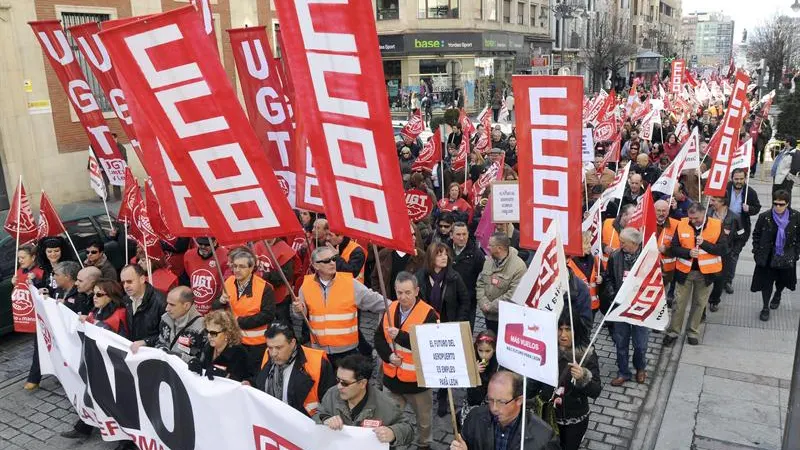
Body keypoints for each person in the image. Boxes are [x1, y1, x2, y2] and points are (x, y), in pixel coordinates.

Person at [374, 272, 439, 448]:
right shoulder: (390, 308)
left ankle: (424, 444)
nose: (403, 297)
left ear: (417, 291)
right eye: (399, 292)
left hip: (417, 382)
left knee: (423, 421)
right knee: (389, 417)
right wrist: (388, 356)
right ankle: (391, 443)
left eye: (408, 292)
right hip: (391, 380)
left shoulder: (429, 314)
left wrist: (401, 337)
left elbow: (429, 346)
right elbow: (378, 338)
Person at [292, 246, 386, 367]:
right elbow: (301, 314)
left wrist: (397, 307)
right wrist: (297, 310)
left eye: (334, 259)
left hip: (347, 351)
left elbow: (375, 301)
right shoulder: (306, 286)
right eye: (326, 261)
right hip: (320, 351)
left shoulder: (350, 283)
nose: (332, 263)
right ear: (315, 266)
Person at [61, 278, 129, 442]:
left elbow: (117, 339)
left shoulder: (118, 314)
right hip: (97, 363)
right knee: (92, 396)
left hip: (112, 366)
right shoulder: (97, 310)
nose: (95, 297)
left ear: (110, 296)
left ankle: (125, 440)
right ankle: (84, 427)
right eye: (94, 293)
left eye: (99, 294)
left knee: (114, 404)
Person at [527, 311, 601, 450]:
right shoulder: (546, 349)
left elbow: (596, 391)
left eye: (568, 329)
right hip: (547, 416)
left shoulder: (586, 354)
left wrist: (583, 376)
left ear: (576, 330)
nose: (563, 335)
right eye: (559, 329)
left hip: (574, 420)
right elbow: (534, 384)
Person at [316, 354, 413, 448]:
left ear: (362, 383)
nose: (339, 386)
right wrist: (325, 420)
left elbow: (408, 430)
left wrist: (393, 433)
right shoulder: (331, 394)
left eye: (345, 383)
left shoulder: (386, 404)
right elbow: (318, 414)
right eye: (338, 380)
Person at [664, 203, 726, 346]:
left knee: (699, 304)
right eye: (690, 218)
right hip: (685, 272)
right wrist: (688, 253)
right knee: (679, 303)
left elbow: (723, 249)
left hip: (705, 274)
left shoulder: (716, 225)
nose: (692, 221)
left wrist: (704, 244)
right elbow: (673, 249)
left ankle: (692, 331)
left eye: (696, 218)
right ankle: (673, 332)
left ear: (704, 214)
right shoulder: (682, 224)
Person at [451, 371, 560, 450]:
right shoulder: (475, 417)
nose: (494, 408)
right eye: (490, 399)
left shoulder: (544, 436)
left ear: (519, 400)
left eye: (501, 402)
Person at [251, 322, 336, 419]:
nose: (273, 353)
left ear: (292, 343)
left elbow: (331, 403)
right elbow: (261, 381)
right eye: (270, 347)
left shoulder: (318, 362)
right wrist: (250, 384)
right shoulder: (268, 354)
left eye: (279, 348)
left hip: (306, 424)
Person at [602, 228, 649, 385]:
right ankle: (623, 372)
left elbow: (657, 280)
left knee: (640, 344)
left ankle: (640, 367)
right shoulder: (615, 256)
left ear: (635, 243)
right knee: (621, 342)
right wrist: (612, 294)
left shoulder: (648, 257)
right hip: (620, 307)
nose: (620, 245)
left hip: (640, 308)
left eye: (623, 242)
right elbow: (608, 277)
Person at [219, 247, 276, 375]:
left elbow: (268, 315)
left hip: (256, 346)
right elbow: (217, 306)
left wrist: (239, 322)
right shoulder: (228, 282)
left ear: (251, 268)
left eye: (242, 266)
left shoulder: (265, 288)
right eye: (234, 266)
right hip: (233, 342)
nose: (237, 270)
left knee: (252, 379)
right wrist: (220, 302)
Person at [750, 190, 800, 321]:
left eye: (781, 204)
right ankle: (765, 307)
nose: (778, 207)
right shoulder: (764, 217)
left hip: (786, 255)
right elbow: (756, 234)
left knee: (782, 280)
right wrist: (756, 251)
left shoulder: (795, 216)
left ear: (787, 204)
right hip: (767, 256)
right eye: (775, 203)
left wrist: (796, 253)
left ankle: (778, 294)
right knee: (766, 283)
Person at [130, 286, 205, 363]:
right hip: (165, 368)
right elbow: (161, 341)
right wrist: (161, 349)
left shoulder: (202, 328)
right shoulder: (165, 318)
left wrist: (174, 356)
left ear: (186, 305)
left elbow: (203, 361)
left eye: (172, 305)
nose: (167, 308)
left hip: (185, 372)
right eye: (167, 303)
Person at [476, 233, 527, 333]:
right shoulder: (489, 262)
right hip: (489, 316)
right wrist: (483, 302)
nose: (488, 247)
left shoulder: (519, 267)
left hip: (507, 318)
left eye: (490, 245)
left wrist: (491, 307)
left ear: (499, 248)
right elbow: (480, 283)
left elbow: (513, 295)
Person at [725, 168, 762, 293]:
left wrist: (749, 209)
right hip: (724, 227)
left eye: (741, 179)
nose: (739, 181)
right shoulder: (725, 189)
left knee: (734, 256)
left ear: (745, 179)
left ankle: (728, 280)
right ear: (732, 178)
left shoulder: (750, 192)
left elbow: (757, 208)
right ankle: (719, 278)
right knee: (723, 254)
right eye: (736, 179)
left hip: (741, 229)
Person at [188, 309, 251, 381]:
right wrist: (197, 364)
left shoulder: (239, 353)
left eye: (213, 333)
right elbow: (205, 369)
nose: (209, 336)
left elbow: (245, 383)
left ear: (227, 334)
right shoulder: (208, 348)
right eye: (207, 331)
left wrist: (226, 376)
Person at [16, 244, 46, 391]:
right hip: (30, 314)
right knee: (39, 345)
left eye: (23, 257)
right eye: (19, 258)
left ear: (33, 257)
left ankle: (34, 378)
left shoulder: (39, 272)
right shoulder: (19, 271)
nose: (20, 261)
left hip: (41, 315)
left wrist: (35, 281)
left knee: (40, 346)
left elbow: (45, 292)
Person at [707, 196, 744, 312]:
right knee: (705, 280)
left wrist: (734, 251)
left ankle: (714, 300)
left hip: (725, 254)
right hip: (707, 251)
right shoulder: (707, 214)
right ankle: (701, 306)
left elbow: (741, 235)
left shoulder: (735, 218)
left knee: (720, 279)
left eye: (714, 200)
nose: (711, 202)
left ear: (723, 202)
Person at [458, 330, 499, 429]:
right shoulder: (472, 359)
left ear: (494, 349)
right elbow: (464, 380)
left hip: (490, 401)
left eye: (487, 351)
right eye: (480, 351)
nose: (483, 355)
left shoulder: (498, 362)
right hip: (474, 399)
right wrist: (473, 371)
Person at [371, 226, 425, 300]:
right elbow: (375, 278)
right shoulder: (384, 254)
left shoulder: (421, 257)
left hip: (410, 305)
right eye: (410, 235)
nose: (414, 238)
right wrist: (380, 296)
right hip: (387, 305)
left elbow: (423, 284)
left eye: (414, 235)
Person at [122, 264, 167, 351]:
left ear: (142, 279)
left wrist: (146, 342)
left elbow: (167, 335)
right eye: (123, 282)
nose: (125, 286)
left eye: (129, 281)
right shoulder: (126, 299)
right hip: (133, 351)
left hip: (152, 353)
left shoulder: (161, 302)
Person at [252, 238, 297, 324]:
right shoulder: (257, 245)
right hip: (262, 293)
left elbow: (287, 274)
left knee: (283, 322)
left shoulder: (284, 249)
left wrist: (264, 276)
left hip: (280, 294)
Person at [451, 222, 486, 329]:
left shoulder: (476, 254)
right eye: (458, 234)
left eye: (464, 234)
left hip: (468, 301)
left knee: (465, 333)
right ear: (451, 235)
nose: (462, 238)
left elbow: (483, 277)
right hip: (448, 300)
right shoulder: (444, 249)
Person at [184, 237, 229, 315]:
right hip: (196, 308)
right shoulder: (189, 255)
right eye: (200, 244)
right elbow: (189, 277)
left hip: (216, 308)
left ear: (215, 242)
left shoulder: (225, 255)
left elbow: (228, 281)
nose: (203, 247)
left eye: (207, 244)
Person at [567, 231, 600, 318]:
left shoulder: (594, 259)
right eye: (586, 243)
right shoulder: (569, 263)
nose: (590, 246)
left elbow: (602, 273)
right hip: (577, 307)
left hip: (592, 306)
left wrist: (601, 278)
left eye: (589, 243)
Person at [654, 200, 679, 304]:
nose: (661, 213)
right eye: (658, 210)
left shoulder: (677, 225)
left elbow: (680, 248)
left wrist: (667, 250)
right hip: (649, 267)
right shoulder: (646, 223)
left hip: (667, 271)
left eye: (664, 211)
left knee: (663, 298)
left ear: (668, 211)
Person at [771, 137, 800, 202]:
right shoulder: (784, 150)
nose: (784, 142)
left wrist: (788, 178)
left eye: (785, 141)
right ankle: (774, 209)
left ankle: (787, 211)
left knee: (785, 197)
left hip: (785, 180)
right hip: (777, 177)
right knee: (775, 195)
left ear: (788, 143)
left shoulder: (796, 153)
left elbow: (796, 168)